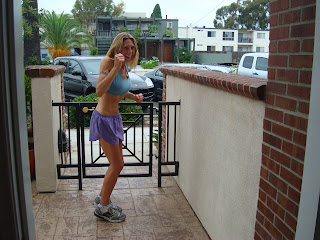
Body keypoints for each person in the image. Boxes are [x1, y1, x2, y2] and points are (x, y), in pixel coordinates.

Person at [89, 32, 143, 222]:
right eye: (126, 47)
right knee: (117, 164)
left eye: (132, 48)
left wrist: (133, 97)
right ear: (117, 47)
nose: (129, 51)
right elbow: (99, 91)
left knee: (117, 163)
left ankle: (102, 198)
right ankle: (103, 208)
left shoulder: (125, 66)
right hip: (103, 119)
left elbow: (118, 90)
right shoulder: (108, 61)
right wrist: (115, 68)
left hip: (115, 119)